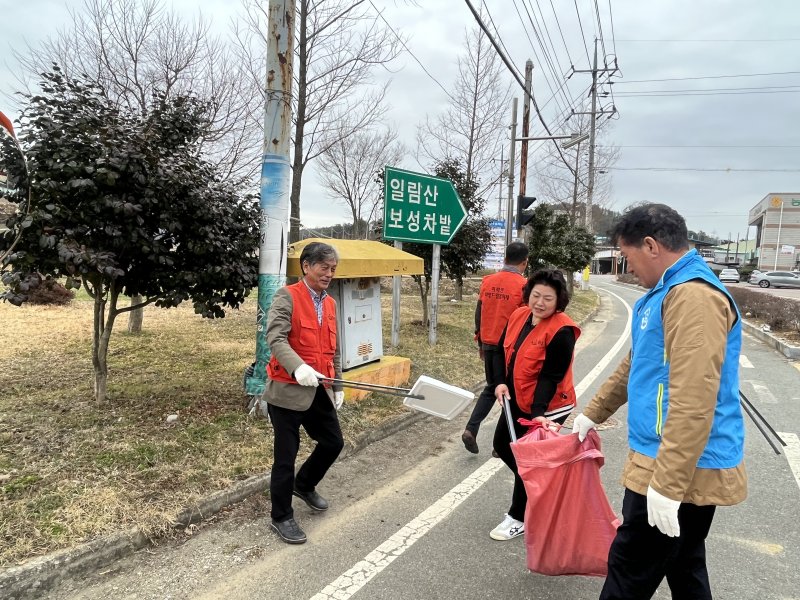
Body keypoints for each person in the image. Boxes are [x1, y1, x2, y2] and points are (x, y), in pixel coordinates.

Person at [573, 204, 747, 599]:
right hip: (667, 456)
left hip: (676, 465)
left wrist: (668, 485)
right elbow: (637, 364)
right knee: (684, 565)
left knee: (628, 570)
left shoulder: (692, 297)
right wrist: (592, 413)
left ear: (650, 246)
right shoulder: (665, 293)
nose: (629, 268)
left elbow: (693, 398)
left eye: (628, 257)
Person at [489, 269, 580, 540]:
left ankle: (519, 516)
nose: (540, 303)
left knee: (525, 459)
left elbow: (551, 377)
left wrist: (539, 413)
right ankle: (540, 488)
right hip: (517, 395)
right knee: (502, 445)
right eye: (536, 295)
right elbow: (504, 351)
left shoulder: (562, 330)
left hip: (549, 405)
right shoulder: (519, 315)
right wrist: (500, 382)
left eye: (548, 299)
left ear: (559, 301)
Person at [264, 242, 345, 545]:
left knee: (333, 442)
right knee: (285, 457)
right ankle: (281, 516)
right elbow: (275, 337)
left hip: (319, 389)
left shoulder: (331, 304)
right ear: (306, 266)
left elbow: (333, 348)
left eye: (333, 268)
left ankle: (305, 483)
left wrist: (337, 385)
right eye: (324, 267)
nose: (329, 273)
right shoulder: (287, 297)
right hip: (287, 391)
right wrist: (298, 368)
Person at [461, 241, 529, 454]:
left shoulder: (488, 281)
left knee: (492, 387)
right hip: (508, 348)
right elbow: (524, 320)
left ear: (505, 258)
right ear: (524, 263)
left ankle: (472, 429)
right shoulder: (523, 286)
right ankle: (500, 444)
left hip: (488, 343)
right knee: (508, 391)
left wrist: (480, 341)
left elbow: (479, 312)